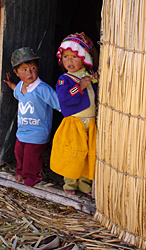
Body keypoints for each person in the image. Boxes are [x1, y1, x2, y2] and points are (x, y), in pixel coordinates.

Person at [4, 47, 60, 187]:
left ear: (38, 68)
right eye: (24, 70)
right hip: (23, 131)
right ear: (16, 72)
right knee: (19, 152)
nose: (29, 73)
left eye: (33, 68)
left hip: (38, 132)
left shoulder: (43, 89)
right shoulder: (20, 87)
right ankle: (20, 171)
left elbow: (59, 104)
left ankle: (33, 176)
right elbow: (16, 91)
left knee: (31, 156)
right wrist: (10, 84)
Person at [50, 32, 98, 195]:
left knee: (87, 154)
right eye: (66, 57)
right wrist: (80, 87)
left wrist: (96, 80)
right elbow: (64, 98)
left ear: (85, 58)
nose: (69, 61)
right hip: (74, 123)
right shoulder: (65, 79)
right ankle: (70, 183)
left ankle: (84, 183)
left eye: (74, 57)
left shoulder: (89, 75)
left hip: (90, 123)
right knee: (73, 153)